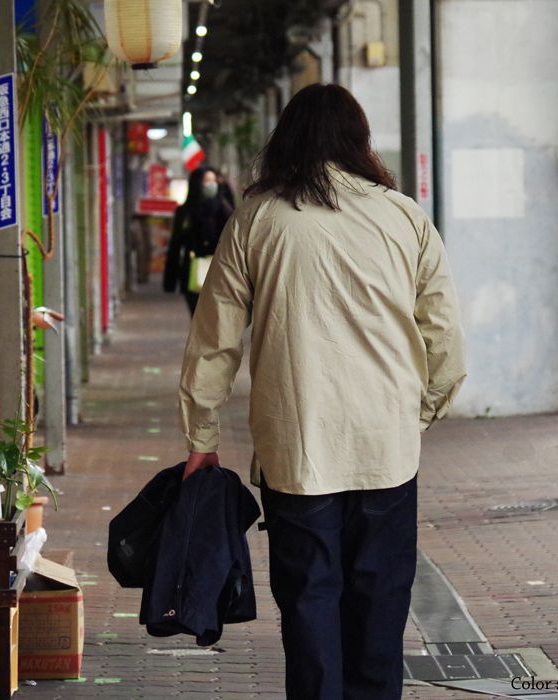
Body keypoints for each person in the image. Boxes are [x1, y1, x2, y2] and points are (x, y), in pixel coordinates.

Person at [177, 83, 466, 699]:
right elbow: (444, 340)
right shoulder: (403, 216)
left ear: (286, 140)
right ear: (359, 141)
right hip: (385, 450)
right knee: (382, 605)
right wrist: (412, 418)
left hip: (296, 451)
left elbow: (215, 340)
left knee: (309, 603)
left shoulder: (257, 218)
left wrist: (202, 436)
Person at [163, 166, 229, 315]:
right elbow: (176, 243)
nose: (211, 184)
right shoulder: (185, 211)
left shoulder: (223, 208)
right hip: (192, 269)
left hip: (219, 269)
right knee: (197, 315)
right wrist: (170, 280)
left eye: (214, 181)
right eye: (207, 181)